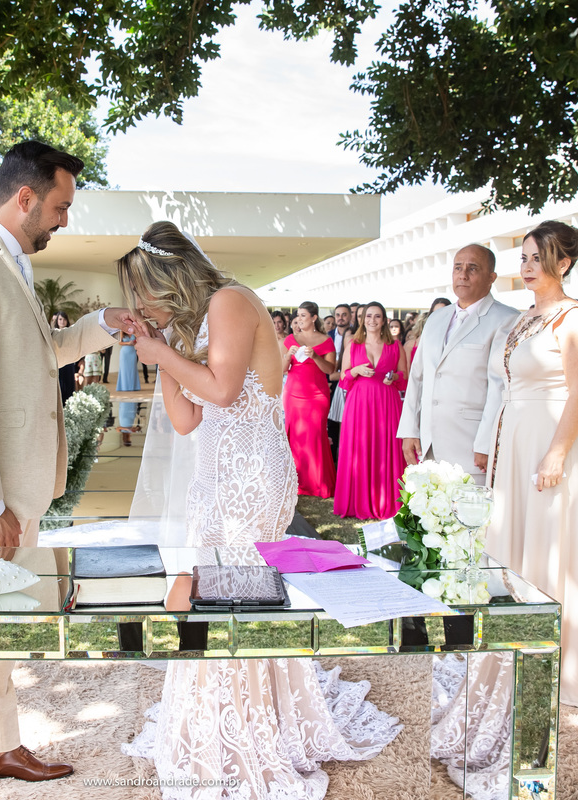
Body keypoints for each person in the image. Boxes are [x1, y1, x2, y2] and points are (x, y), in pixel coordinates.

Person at [119, 222, 402, 797]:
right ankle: (225, 716)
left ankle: (242, 725)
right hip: (218, 472)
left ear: (171, 277)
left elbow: (223, 391)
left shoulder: (228, 301)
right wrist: (161, 353)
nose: (139, 304)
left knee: (230, 597)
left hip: (248, 477)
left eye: (144, 291)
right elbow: (186, 418)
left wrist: (160, 350)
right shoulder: (201, 323)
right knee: (214, 592)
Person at [0, 140, 132, 800]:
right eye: (60, 206)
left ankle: (0, 748)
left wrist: (104, 323)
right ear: (25, 198)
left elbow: (40, 358)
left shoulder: (6, 262)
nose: (64, 220)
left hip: (17, 493)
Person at [485, 220, 578, 711]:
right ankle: (510, 647)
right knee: (512, 542)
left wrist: (557, 453)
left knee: (547, 545)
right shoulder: (523, 319)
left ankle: (562, 662)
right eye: (523, 258)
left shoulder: (574, 319)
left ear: (563, 263)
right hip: (514, 440)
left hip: (551, 440)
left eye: (538, 258)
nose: (527, 268)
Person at [399, 244, 518, 483]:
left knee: (471, 516)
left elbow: (500, 387)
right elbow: (418, 376)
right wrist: (410, 429)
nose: (463, 274)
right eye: (458, 267)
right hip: (430, 442)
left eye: (472, 268)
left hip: (472, 446)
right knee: (434, 515)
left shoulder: (507, 319)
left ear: (491, 277)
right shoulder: (436, 318)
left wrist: (486, 443)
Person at [335, 301, 408, 519]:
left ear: (384, 320)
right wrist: (355, 370)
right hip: (359, 404)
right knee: (361, 448)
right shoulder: (354, 345)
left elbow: (404, 377)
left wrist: (393, 377)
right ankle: (359, 500)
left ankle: (386, 501)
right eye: (368, 316)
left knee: (387, 448)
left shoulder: (395, 346)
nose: (372, 320)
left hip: (387, 402)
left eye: (377, 316)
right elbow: (343, 379)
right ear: (362, 319)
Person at [281, 301, 337, 497]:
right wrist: (288, 355)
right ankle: (295, 481)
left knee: (315, 434)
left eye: (303, 315)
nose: (299, 319)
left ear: (314, 318)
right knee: (294, 435)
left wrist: (315, 357)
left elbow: (330, 370)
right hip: (293, 394)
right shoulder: (290, 339)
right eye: (298, 315)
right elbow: (282, 369)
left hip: (317, 395)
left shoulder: (326, 341)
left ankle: (317, 483)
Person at [326, 303, 352, 458]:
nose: (341, 318)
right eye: (338, 315)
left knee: (347, 423)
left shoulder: (356, 335)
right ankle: (334, 458)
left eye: (344, 314)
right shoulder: (328, 335)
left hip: (347, 382)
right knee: (331, 423)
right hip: (330, 384)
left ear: (350, 316)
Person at [116, 330, 141, 446]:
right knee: (125, 371)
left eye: (128, 440)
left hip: (132, 353)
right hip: (125, 352)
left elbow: (117, 428)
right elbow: (120, 343)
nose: (129, 438)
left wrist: (133, 344)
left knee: (132, 371)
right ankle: (126, 386)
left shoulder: (121, 429)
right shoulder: (123, 332)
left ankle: (132, 385)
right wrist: (132, 430)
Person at [51, 312, 78, 405]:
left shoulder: (71, 332)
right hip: (58, 363)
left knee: (69, 385)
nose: (62, 321)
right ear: (57, 321)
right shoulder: (53, 333)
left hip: (69, 363)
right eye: (60, 319)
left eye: (64, 319)